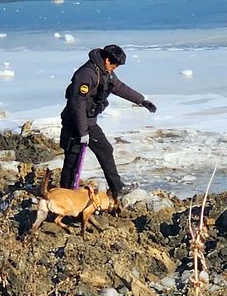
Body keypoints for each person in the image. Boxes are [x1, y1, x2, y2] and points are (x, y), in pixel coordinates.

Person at [58, 44, 157, 200]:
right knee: (72, 162)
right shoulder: (86, 74)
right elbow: (77, 104)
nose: (115, 68)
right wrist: (82, 132)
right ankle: (65, 196)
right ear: (106, 59)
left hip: (89, 123)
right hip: (75, 124)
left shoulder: (105, 72)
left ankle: (117, 188)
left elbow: (118, 87)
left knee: (105, 150)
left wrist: (141, 100)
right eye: (114, 64)